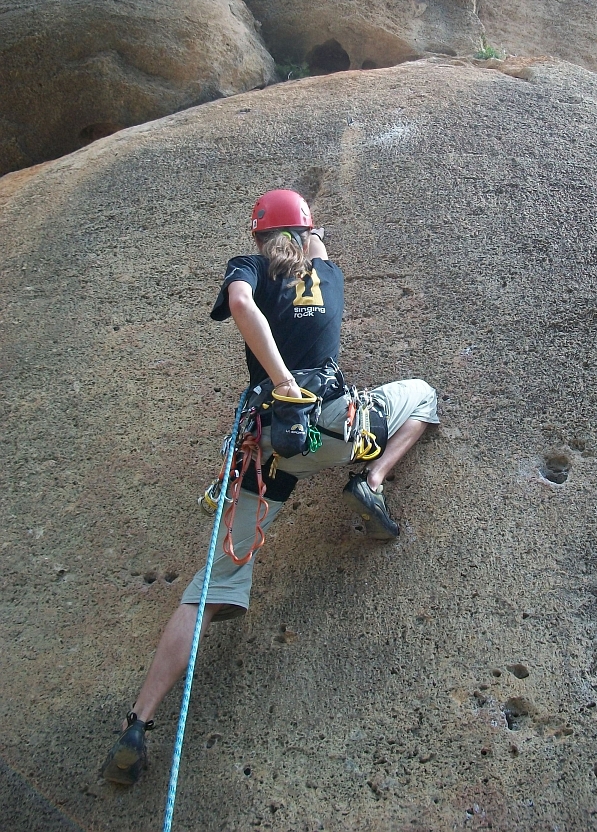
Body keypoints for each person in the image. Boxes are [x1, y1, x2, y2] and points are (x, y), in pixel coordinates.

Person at [101, 188, 439, 786]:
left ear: (258, 238)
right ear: (310, 235)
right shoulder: (327, 271)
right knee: (423, 395)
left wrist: (280, 382)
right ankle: (374, 480)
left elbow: (240, 303)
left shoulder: (249, 268)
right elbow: (312, 249)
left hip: (272, 444)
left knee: (210, 587)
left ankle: (138, 722)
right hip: (335, 427)